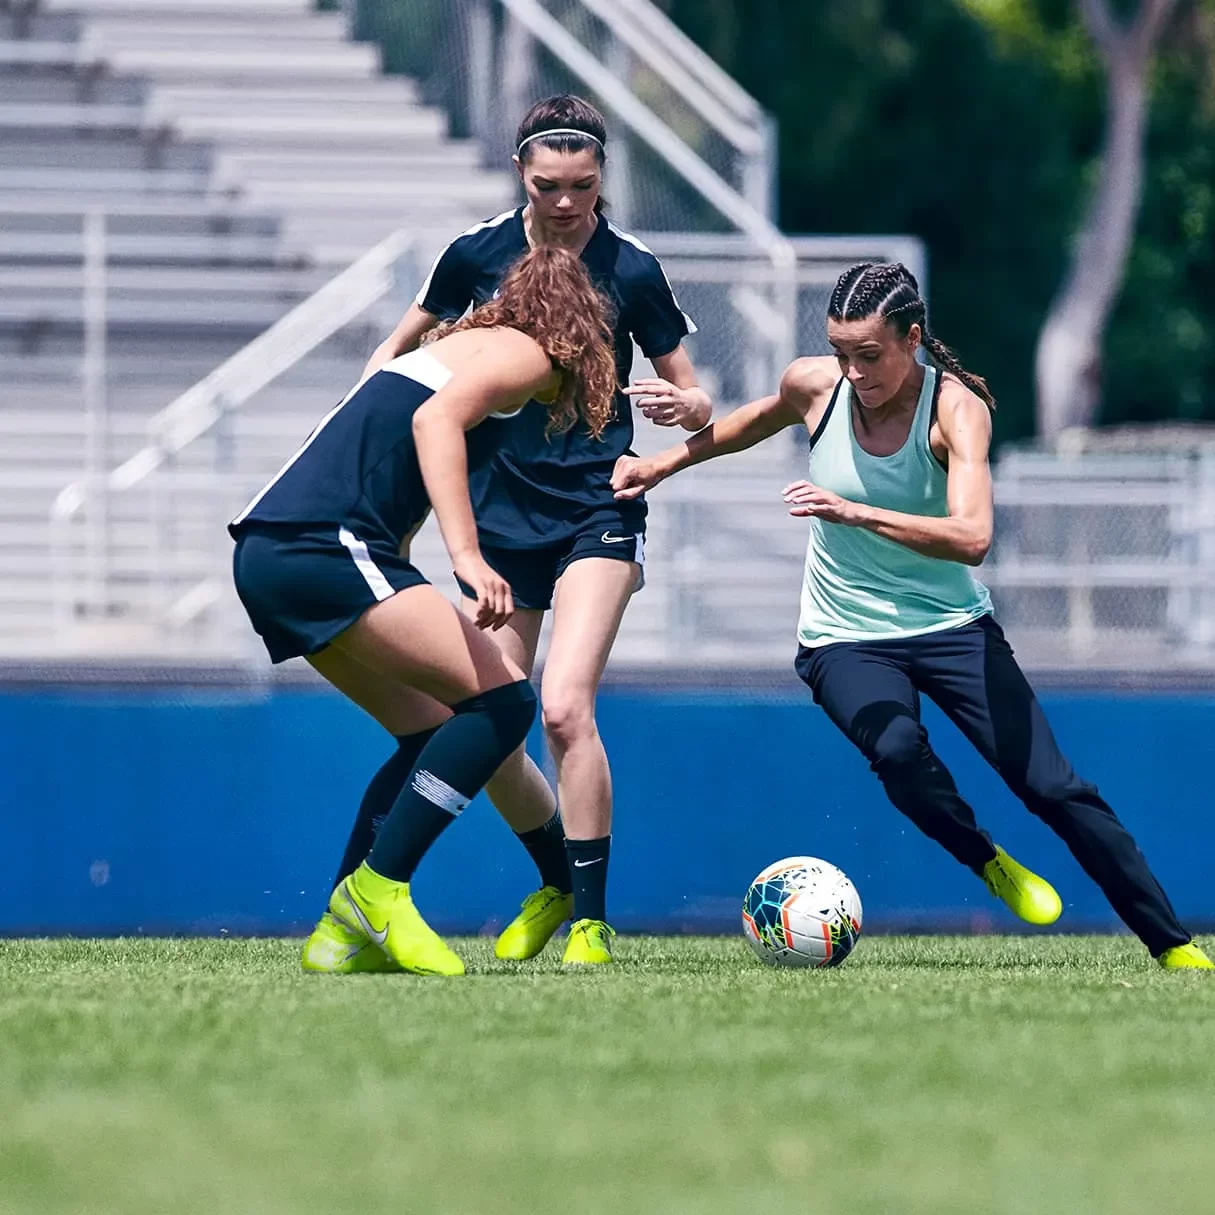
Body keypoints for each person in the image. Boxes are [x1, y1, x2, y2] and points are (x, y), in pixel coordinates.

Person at [612, 260, 1211, 970]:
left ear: (912, 339)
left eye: (868, 355)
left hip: (951, 629)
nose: (853, 371)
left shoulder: (955, 410)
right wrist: (662, 464)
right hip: (843, 637)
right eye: (841, 353)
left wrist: (853, 510)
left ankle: (1172, 946)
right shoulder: (815, 384)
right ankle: (986, 860)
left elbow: (973, 537)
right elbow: (750, 423)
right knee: (897, 750)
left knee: (1052, 786)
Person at [353, 94, 712, 966]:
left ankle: (590, 918)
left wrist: (686, 406)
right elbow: (393, 354)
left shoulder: (630, 269)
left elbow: (697, 400)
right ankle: (554, 879)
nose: (564, 203)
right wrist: (367, 434)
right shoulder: (474, 254)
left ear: (602, 181)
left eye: (582, 186)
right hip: (499, 517)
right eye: (548, 184)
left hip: (599, 504)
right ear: (521, 171)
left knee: (560, 706)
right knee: (493, 718)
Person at [229, 246, 618, 976]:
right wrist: (468, 561)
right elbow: (435, 424)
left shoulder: (446, 350)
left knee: (433, 728)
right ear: (577, 328)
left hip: (269, 552)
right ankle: (377, 892)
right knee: (504, 702)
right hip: (322, 545)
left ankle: (339, 932)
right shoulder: (529, 353)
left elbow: (391, 475)